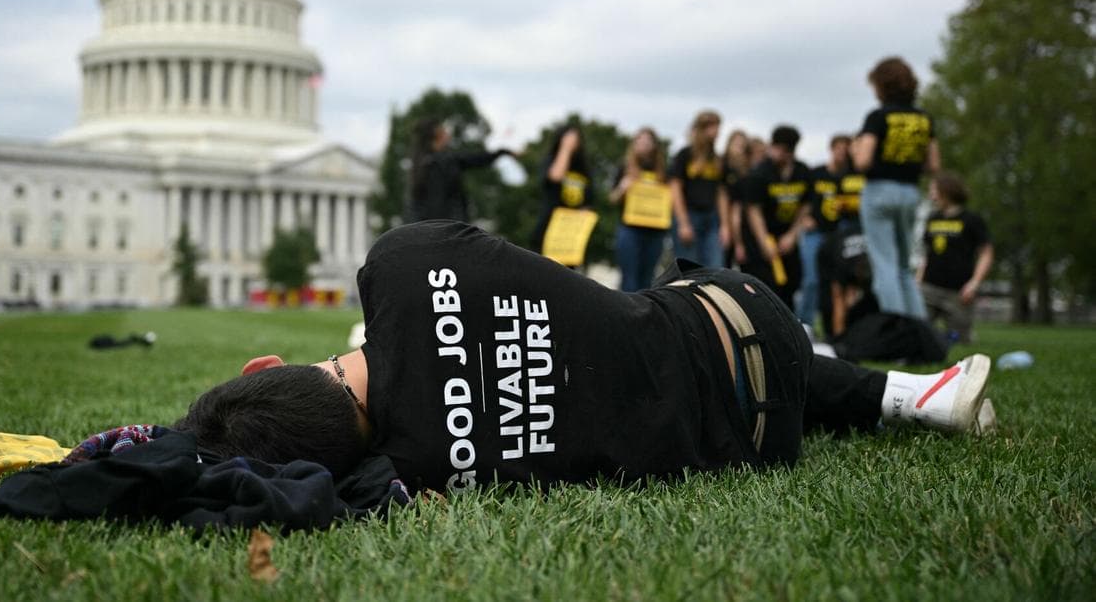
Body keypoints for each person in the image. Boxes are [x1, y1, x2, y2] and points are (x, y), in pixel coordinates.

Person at [172, 221, 994, 493]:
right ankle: (902, 392)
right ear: (263, 365)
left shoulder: (408, 469)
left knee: (685, 382)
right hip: (742, 311)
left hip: (753, 444)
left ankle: (903, 396)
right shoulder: (398, 265)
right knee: (669, 326)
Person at [852, 57, 940, 319]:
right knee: (904, 267)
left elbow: (863, 161)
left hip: (879, 191)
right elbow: (934, 164)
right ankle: (919, 327)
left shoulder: (878, 117)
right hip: (910, 193)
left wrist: (857, 147)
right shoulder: (923, 119)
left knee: (884, 266)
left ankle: (897, 330)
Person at [741, 126, 812, 310]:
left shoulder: (802, 171)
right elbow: (753, 211)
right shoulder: (760, 173)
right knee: (764, 285)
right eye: (775, 147)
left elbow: (805, 206)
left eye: (783, 150)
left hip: (787, 236)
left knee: (792, 282)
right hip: (761, 237)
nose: (777, 153)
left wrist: (793, 235)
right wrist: (764, 241)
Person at [918, 172, 994, 343]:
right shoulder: (932, 219)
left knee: (961, 340)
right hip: (929, 288)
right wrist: (918, 282)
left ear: (947, 191)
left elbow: (986, 254)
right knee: (919, 333)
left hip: (958, 292)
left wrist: (974, 283)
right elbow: (926, 254)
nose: (931, 196)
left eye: (934, 191)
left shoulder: (972, 220)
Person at [404, 118, 513, 224]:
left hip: (432, 229)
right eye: (444, 129)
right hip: (449, 228)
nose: (447, 133)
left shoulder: (420, 164)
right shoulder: (445, 161)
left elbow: (478, 158)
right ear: (437, 133)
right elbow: (478, 158)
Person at [797, 135, 852, 333]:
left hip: (839, 235)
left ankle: (836, 328)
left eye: (846, 149)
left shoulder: (850, 178)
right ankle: (804, 325)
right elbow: (803, 200)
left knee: (836, 283)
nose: (842, 153)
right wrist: (805, 219)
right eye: (838, 148)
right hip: (815, 233)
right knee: (811, 280)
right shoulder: (817, 173)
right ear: (831, 149)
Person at [608, 127, 670, 291]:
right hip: (630, 229)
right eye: (639, 140)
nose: (643, 144)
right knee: (629, 277)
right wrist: (623, 188)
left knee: (647, 278)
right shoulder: (624, 167)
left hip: (655, 231)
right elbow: (612, 198)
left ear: (654, 145)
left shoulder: (663, 172)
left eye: (648, 141)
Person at [669, 110, 729, 269]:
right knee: (689, 269)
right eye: (712, 127)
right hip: (689, 215)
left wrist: (725, 225)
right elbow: (675, 188)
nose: (717, 132)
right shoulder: (685, 155)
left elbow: (721, 193)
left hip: (711, 218)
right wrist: (683, 223)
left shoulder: (717, 159)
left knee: (715, 267)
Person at [530, 124, 593, 253]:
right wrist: (566, 149)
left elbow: (589, 200)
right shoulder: (551, 160)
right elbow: (556, 176)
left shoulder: (584, 168)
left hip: (571, 232)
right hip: (549, 227)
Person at [720, 129, 752, 268]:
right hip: (728, 221)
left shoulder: (749, 171)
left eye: (742, 145)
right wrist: (726, 226)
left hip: (744, 224)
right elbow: (727, 200)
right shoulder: (723, 166)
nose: (739, 149)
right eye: (736, 144)